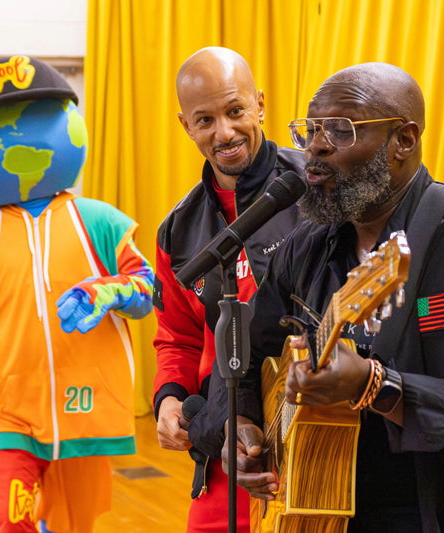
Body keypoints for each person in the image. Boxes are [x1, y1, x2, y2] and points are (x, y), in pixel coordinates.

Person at [219, 62, 444, 532]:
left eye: (341, 129)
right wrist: (240, 426)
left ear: (404, 139)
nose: (317, 145)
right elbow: (247, 360)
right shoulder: (306, 246)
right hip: (323, 508)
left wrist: (375, 386)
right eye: (311, 129)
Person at [0, 55, 154, 532]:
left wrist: (106, 292)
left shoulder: (103, 223)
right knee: (7, 522)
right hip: (5, 412)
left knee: (72, 525)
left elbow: (145, 289)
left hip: (84, 409)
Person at [152, 47, 304, 532]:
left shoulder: (316, 189)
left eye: (235, 111)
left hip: (311, 438)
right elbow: (177, 335)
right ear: (185, 125)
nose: (224, 133)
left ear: (260, 103)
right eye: (205, 119)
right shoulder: (177, 231)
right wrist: (170, 398)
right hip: (223, 451)